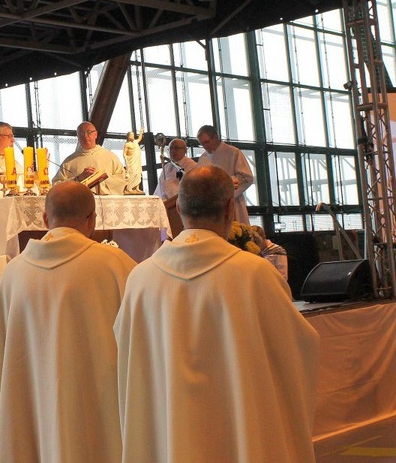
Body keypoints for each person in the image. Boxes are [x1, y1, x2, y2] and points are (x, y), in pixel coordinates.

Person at [115, 166, 320, 462]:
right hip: (240, 437)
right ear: (229, 209)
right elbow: (298, 349)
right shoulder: (254, 275)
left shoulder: (140, 279)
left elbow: (130, 359)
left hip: (170, 437)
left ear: (180, 207)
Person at [0, 181, 137, 463]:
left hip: (33, 416)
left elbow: (0, 364)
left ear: (44, 219)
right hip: (100, 417)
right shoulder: (117, 266)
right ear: (92, 220)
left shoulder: (13, 275)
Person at [196, 124, 254, 224]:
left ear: (215, 137)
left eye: (206, 142)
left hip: (232, 203)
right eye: (202, 144)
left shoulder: (233, 152)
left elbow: (246, 177)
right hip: (212, 207)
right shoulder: (203, 158)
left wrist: (224, 185)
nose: (205, 147)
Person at [52, 121, 127, 194]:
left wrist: (99, 178)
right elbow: (57, 185)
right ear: (77, 137)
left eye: (89, 132)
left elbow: (121, 180)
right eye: (81, 133)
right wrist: (78, 179)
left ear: (96, 134)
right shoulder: (69, 162)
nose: (85, 136)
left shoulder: (110, 157)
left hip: (105, 202)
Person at [123, 128, 144, 194]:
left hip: (137, 160)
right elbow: (124, 153)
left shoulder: (135, 142)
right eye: (131, 135)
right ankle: (129, 188)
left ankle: (137, 188)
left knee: (138, 173)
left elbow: (139, 139)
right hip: (131, 161)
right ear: (128, 136)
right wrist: (126, 160)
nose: (133, 136)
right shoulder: (127, 144)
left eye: (133, 135)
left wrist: (141, 132)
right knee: (133, 173)